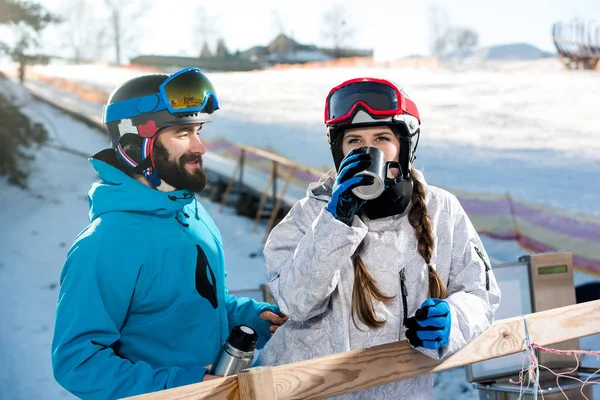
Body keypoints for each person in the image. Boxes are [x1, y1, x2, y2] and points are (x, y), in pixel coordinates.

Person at [257, 78, 501, 399]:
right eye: (354, 140)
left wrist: (453, 320)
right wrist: (337, 220)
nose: (366, 149)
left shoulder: (442, 210)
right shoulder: (308, 215)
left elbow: (480, 294)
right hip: (308, 391)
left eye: (382, 137)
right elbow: (296, 303)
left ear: (405, 147)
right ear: (339, 151)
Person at [51, 68, 286, 400]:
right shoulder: (106, 244)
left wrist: (252, 317)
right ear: (135, 144)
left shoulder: (190, 213)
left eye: (198, 131)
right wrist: (182, 386)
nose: (200, 147)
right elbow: (78, 362)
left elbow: (195, 305)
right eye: (182, 133)